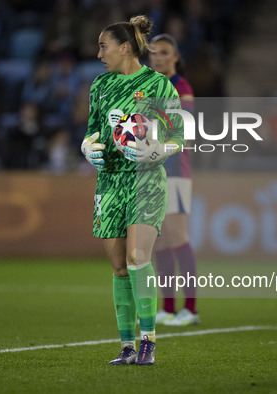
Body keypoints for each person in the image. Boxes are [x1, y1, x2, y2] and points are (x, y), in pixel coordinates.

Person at [81, 15, 185, 366]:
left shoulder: (157, 85)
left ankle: (148, 342)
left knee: (138, 259)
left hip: (146, 182)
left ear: (125, 48)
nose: (99, 54)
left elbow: (179, 136)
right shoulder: (100, 86)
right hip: (109, 182)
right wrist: (87, 146)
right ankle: (126, 346)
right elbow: (93, 129)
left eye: (103, 46)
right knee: (119, 268)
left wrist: (161, 150)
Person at [148, 33, 199, 327]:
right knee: (162, 242)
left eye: (164, 52)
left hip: (175, 170)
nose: (158, 57)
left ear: (175, 57)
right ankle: (168, 307)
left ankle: (190, 309)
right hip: (153, 171)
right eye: (154, 52)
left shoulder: (181, 88)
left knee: (178, 237)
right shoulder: (149, 87)